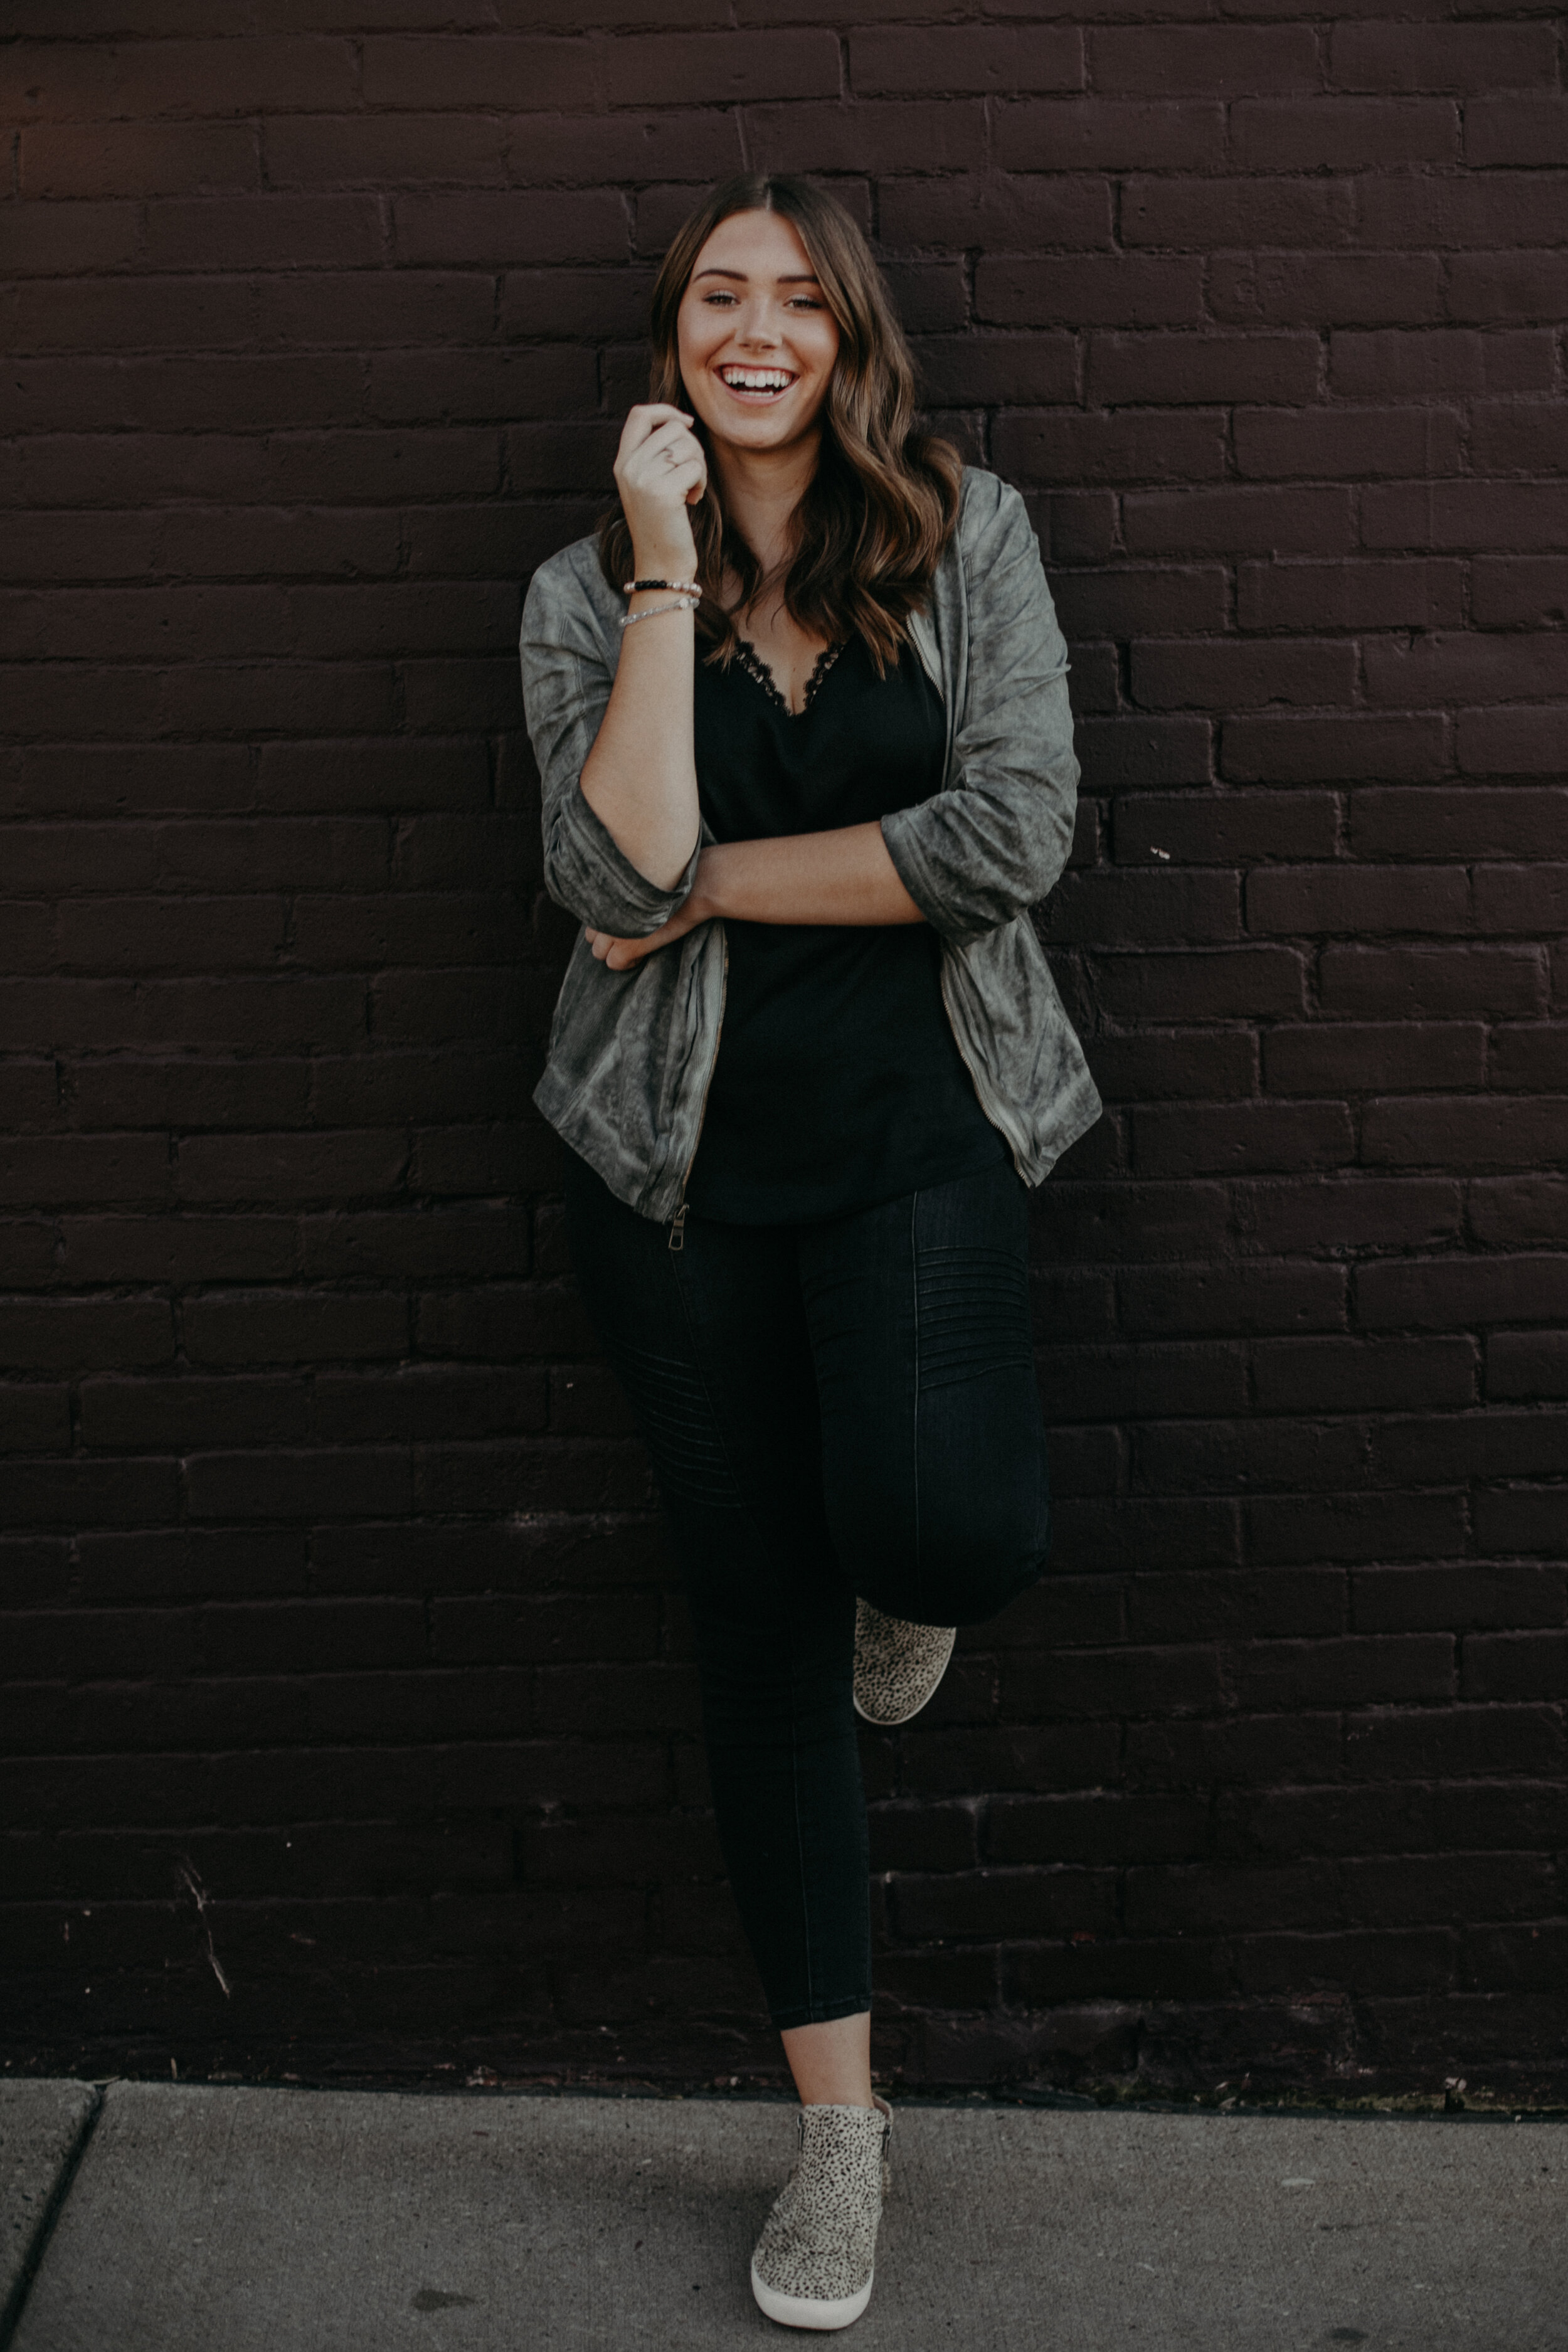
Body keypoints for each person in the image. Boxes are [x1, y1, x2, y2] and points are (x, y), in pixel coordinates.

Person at [519, 171, 1099, 2333]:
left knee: (946, 1538)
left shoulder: (971, 539)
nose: (751, 331)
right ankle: (838, 2140)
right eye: (712, 299)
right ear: (674, 340)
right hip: (667, 1174)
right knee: (754, 1637)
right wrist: (667, 573)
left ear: (850, 337)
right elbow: (599, 850)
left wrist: (717, 890)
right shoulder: (582, 591)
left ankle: (901, 1580)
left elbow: (1012, 835)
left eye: (793, 301)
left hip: (924, 1134)